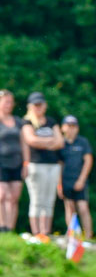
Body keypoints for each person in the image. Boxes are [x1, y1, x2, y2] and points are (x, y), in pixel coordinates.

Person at [21, 91, 64, 236]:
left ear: (45, 106)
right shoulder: (27, 122)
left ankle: (46, 232)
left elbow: (60, 142)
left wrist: (43, 142)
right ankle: (36, 232)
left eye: (40, 105)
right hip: (36, 164)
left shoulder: (51, 121)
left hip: (52, 165)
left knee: (49, 199)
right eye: (35, 105)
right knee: (37, 199)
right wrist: (50, 141)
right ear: (30, 106)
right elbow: (31, 140)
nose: (38, 107)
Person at [58, 115, 94, 239]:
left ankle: (89, 236)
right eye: (68, 126)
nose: (71, 129)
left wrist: (82, 179)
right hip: (66, 180)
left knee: (83, 208)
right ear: (63, 127)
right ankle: (73, 236)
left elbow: (88, 161)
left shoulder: (82, 142)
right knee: (69, 208)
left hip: (79, 179)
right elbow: (59, 165)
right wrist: (59, 184)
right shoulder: (61, 143)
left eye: (74, 126)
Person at [0, 89, 25, 232]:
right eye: (6, 102)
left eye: (11, 102)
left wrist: (26, 162)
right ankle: (1, 226)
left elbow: (23, 143)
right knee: (1, 195)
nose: (9, 105)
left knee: (14, 197)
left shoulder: (17, 121)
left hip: (16, 162)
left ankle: (10, 228)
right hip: (1, 162)